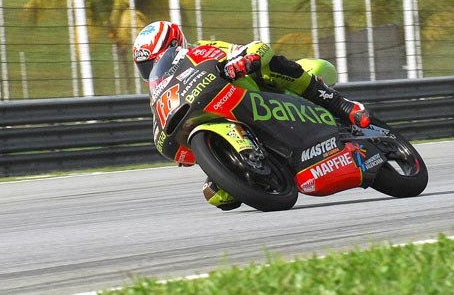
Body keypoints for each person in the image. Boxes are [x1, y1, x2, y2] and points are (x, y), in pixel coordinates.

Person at [132, 20, 371, 210]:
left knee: (271, 66)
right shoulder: (160, 96)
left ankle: (341, 105)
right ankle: (258, 166)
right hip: (222, 118)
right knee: (217, 196)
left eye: (156, 60)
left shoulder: (204, 49)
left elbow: (254, 48)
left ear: (176, 45)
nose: (153, 69)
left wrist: (243, 61)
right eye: (146, 66)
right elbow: (159, 129)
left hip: (257, 93)